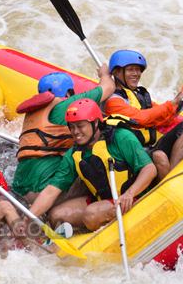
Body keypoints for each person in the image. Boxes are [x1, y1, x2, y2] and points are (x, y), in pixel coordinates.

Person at [28, 98, 157, 232]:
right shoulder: (73, 154)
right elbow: (51, 190)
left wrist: (130, 194)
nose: (75, 132)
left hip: (133, 196)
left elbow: (149, 169)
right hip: (104, 200)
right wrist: (28, 218)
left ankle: (105, 226)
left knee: (91, 214)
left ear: (95, 123)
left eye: (80, 126)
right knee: (57, 215)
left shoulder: (121, 137)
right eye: (71, 127)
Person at [11, 65, 115, 204]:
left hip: (20, 193)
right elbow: (108, 87)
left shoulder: (33, 115)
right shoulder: (68, 105)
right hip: (43, 192)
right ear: (68, 94)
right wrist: (104, 74)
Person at [103, 49, 183, 180]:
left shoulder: (139, 95)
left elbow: (163, 117)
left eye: (138, 70)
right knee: (160, 156)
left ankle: (173, 178)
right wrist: (173, 102)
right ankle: (167, 186)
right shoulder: (113, 101)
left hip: (151, 146)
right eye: (131, 69)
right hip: (134, 154)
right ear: (117, 72)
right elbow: (140, 118)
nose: (136, 74)